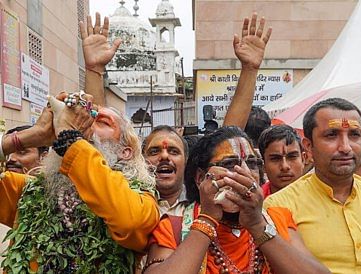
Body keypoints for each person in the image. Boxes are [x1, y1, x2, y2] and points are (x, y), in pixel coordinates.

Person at [0, 92, 159, 272]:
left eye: (102, 121)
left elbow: (130, 222)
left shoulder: (142, 199)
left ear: (125, 152)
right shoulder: (29, 192)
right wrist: (26, 137)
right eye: (85, 116)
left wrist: (71, 141)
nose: (86, 122)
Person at [144, 126, 329, 274]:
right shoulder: (172, 226)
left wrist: (257, 226)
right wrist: (207, 219)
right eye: (229, 164)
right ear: (201, 178)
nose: (246, 174)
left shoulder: (277, 218)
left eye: (252, 164)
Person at [264, 98, 361, 273]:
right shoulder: (280, 205)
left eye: (354, 135)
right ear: (308, 147)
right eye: (331, 135)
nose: (345, 147)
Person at [143, 125, 189, 216]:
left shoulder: (202, 203)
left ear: (186, 161)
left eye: (174, 152)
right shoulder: (131, 204)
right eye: (154, 152)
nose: (164, 156)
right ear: (142, 161)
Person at [258, 125, 305, 198]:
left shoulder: (321, 196)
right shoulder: (256, 202)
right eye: (275, 159)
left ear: (303, 159)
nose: (285, 166)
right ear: (263, 165)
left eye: (292, 157)